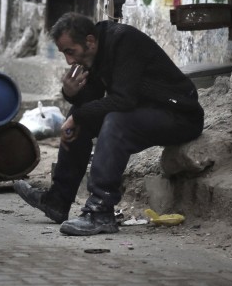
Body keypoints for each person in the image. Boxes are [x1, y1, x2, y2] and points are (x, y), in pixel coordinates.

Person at [13, 12, 204, 235]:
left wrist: (78, 115)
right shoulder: (95, 52)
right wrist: (71, 94)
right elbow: (91, 102)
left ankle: (100, 212)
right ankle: (57, 200)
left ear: (90, 41)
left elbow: (123, 100)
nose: (69, 61)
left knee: (116, 121)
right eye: (64, 53)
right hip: (144, 111)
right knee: (80, 120)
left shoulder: (124, 41)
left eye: (70, 52)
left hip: (179, 115)